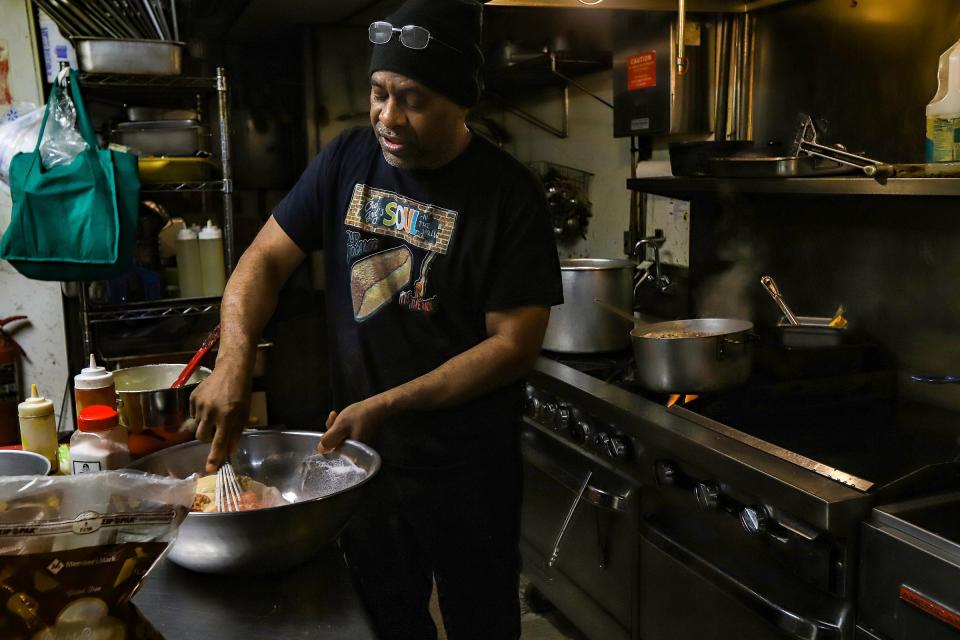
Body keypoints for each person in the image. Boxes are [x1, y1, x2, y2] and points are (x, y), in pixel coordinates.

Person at [190, 0, 563, 637]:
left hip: (466, 470)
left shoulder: (507, 194)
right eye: (379, 92)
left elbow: (513, 344)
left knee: (483, 623)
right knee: (385, 621)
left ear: (460, 103)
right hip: (362, 461)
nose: (388, 116)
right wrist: (233, 362)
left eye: (412, 98)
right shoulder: (346, 159)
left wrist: (388, 403)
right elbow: (263, 261)